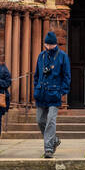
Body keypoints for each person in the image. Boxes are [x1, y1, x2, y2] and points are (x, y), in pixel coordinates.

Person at [32, 31, 71, 159]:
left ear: (55, 44)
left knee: (50, 121)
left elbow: (66, 76)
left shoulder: (62, 56)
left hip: (54, 94)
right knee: (40, 121)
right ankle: (53, 140)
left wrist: (62, 91)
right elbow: (37, 75)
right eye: (47, 44)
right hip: (41, 93)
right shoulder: (41, 56)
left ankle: (48, 148)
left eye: (51, 45)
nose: (48, 47)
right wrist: (36, 88)